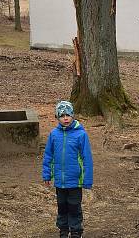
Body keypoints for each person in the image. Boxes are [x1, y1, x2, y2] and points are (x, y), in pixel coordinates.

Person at [42, 100, 93, 238]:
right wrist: (47, 174)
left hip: (75, 180)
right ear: (57, 117)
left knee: (74, 206)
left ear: (73, 116)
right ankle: (63, 230)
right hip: (60, 180)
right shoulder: (54, 134)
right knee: (62, 206)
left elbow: (87, 158)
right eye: (62, 115)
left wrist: (87, 180)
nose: (65, 118)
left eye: (68, 115)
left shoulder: (81, 134)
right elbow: (48, 155)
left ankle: (76, 231)